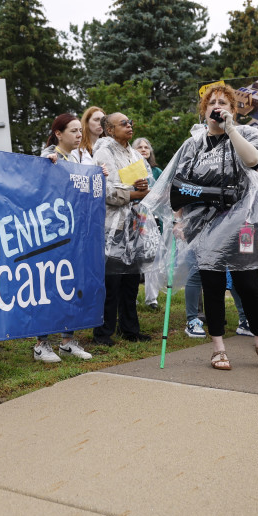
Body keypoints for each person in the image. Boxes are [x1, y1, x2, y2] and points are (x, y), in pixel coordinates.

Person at [146, 84, 258, 370]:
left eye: (223, 102)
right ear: (204, 110)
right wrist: (179, 220)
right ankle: (218, 348)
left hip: (243, 225)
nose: (217, 106)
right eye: (211, 103)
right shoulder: (193, 145)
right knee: (212, 285)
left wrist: (231, 129)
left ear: (233, 110)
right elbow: (179, 185)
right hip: (206, 227)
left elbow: (253, 161)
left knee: (248, 284)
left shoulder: (242, 135)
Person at [29, 114, 93, 363]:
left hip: (73, 234)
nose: (79, 135)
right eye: (73, 131)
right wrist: (45, 166)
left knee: (70, 285)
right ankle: (41, 344)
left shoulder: (76, 159)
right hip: (51, 235)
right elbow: (36, 187)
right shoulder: (48, 156)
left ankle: (67, 342)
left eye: (80, 131)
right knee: (48, 286)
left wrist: (98, 175)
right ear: (58, 133)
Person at [91, 112, 157, 345]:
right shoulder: (103, 153)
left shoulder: (134, 153)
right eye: (123, 123)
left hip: (134, 224)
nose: (129, 126)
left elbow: (145, 182)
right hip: (112, 226)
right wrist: (133, 194)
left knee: (130, 280)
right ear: (109, 130)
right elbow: (102, 189)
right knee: (111, 282)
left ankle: (129, 329)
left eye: (130, 122)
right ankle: (103, 332)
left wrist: (143, 187)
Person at [132, 137, 162, 311]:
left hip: (152, 219)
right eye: (139, 147)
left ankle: (152, 298)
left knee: (152, 257)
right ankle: (132, 296)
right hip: (134, 218)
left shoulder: (157, 171)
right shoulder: (130, 169)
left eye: (146, 147)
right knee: (133, 257)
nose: (144, 149)